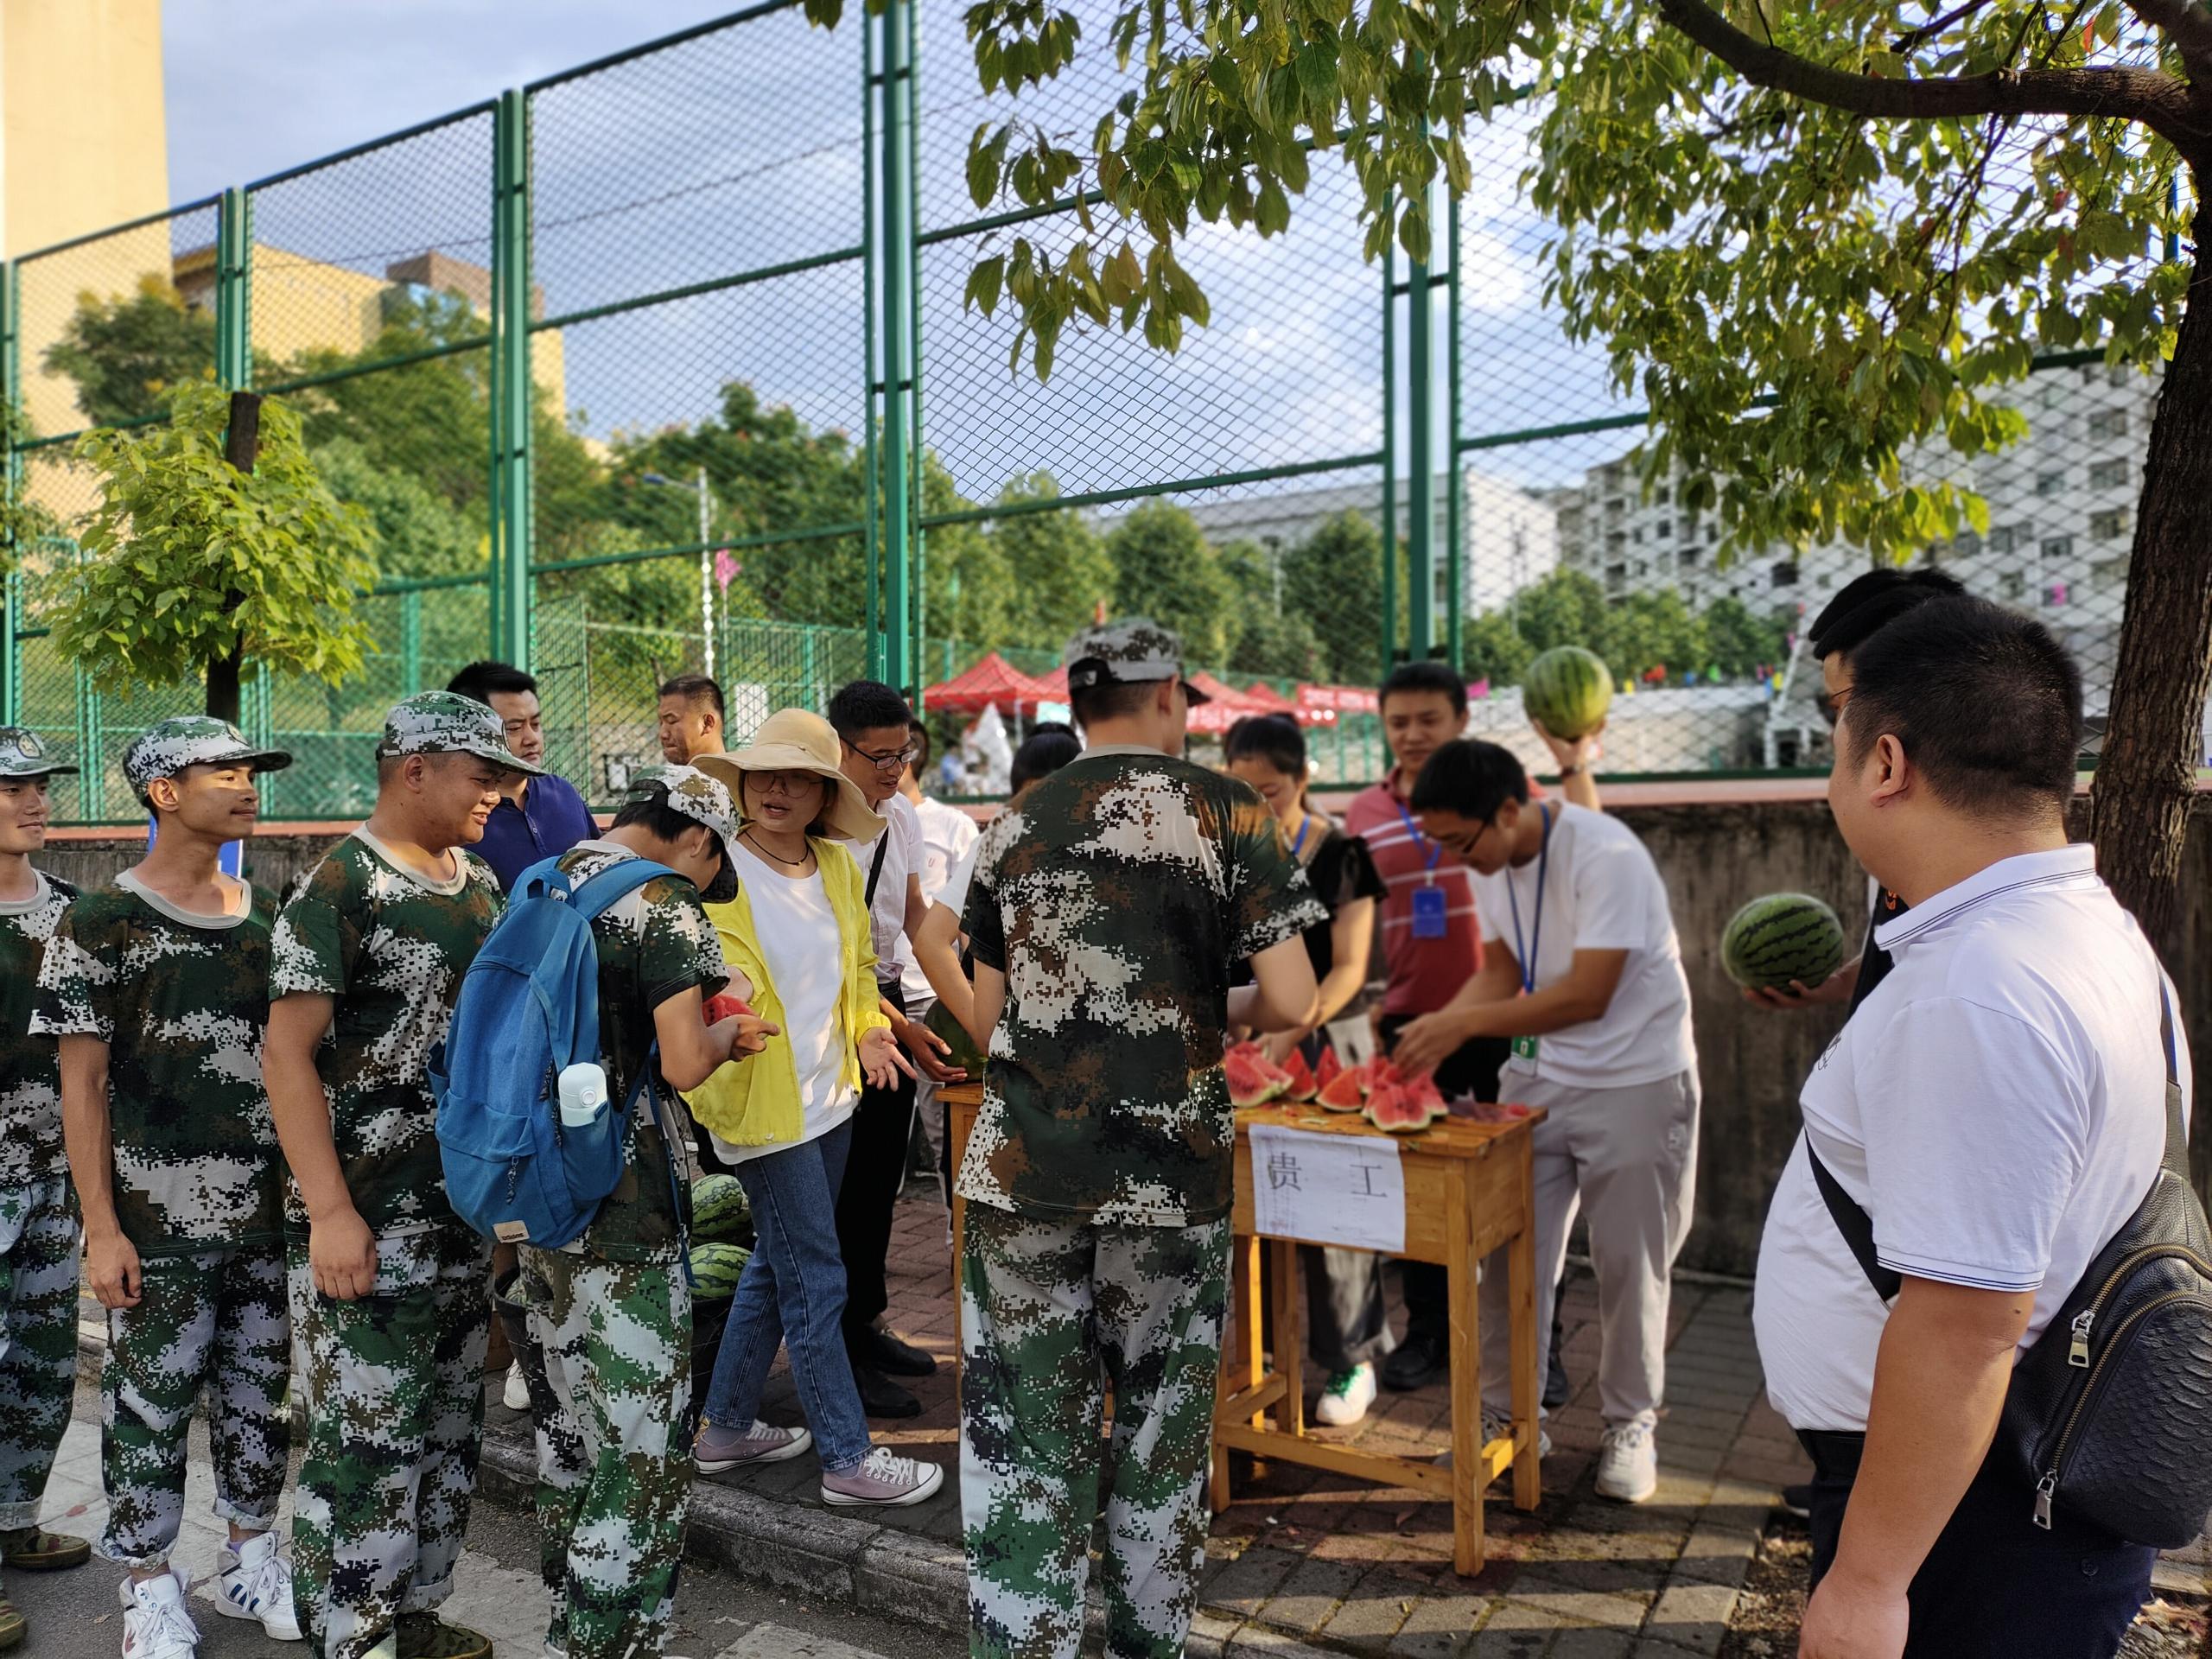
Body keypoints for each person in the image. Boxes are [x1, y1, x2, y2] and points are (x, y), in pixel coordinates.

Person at [1756, 598, 2177, 1658]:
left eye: (1838, 746)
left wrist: (1867, 1584)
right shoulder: (2078, 925)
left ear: (1885, 763)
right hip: (1988, 1487)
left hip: (1968, 1515)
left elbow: (1965, 1325)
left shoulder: (1980, 991)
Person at [958, 619, 1323, 1659]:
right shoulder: (1227, 810)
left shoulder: (1014, 822)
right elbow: (1292, 997)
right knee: (1160, 1439)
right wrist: (1200, 1004)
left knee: (1025, 1443)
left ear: (1077, 705)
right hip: (1170, 1181)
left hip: (1022, 1174)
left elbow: (986, 1020)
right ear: (1169, 696)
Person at [263, 692, 540, 1659]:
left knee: (448, 1430)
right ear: (414, 770)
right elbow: (285, 1056)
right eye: (482, 777)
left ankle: (414, 1613)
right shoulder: (342, 885)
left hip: (457, 1213)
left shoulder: (479, 882)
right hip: (369, 1220)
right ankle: (353, 1634)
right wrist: (330, 1212)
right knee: (364, 1446)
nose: (497, 796)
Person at [35, 720, 298, 1659]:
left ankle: (251, 1557)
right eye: (223, 772)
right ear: (164, 791)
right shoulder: (101, 920)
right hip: (154, 1223)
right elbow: (81, 1085)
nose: (246, 785)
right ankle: (147, 1585)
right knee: (148, 1409)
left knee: (259, 1398)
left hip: (263, 1216)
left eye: (250, 770)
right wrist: (101, 1229)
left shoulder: (270, 916)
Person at [513, 764, 772, 1659]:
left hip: (536, 1191)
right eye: (713, 862)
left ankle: (580, 1613)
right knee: (643, 1441)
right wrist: (728, 1032)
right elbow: (685, 1062)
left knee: (572, 1427)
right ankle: (599, 1637)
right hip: (624, 1209)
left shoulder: (542, 879)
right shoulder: (662, 901)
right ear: (696, 838)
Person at [1395, 738, 1697, 1505]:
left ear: (1508, 809)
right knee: (1505, 1255)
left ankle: (1631, 1424)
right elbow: (1500, 970)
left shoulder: (1606, 855)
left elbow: (1588, 995)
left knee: (1630, 1264)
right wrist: (1435, 1027)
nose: (1455, 860)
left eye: (1460, 842)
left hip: (1635, 1077)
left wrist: (1462, 1025)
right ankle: (1509, 1415)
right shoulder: (1488, 861)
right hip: (1538, 1075)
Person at [1741, 568, 1966, 1523]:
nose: (1835, 734)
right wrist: (1841, 984)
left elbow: (1971, 1304)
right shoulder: (1913, 862)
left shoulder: (1979, 948)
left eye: (1840, 707)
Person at [682, 709, 942, 1508]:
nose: (778, 789)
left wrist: (869, 1031)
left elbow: (859, 970)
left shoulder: (834, 864)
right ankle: (847, 1459)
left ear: (827, 795)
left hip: (831, 1100)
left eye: (800, 778)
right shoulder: (713, 869)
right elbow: (696, 982)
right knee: (818, 1279)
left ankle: (725, 1427)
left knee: (778, 1262)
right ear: (743, 782)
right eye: (765, 774)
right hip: (762, 1108)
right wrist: (722, 1011)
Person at [1339, 663, 1597, 1397]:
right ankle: (1429, 1333)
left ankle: (1538, 1343)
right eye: (1398, 722)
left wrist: (1576, 764)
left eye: (1429, 719)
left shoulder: (1503, 795)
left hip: (1513, 1016)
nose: (1412, 734)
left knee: (1527, 1191)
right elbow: (1359, 922)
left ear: (1460, 721)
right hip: (1417, 1022)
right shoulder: (1363, 812)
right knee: (1421, 1191)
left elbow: (1585, 838)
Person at [1222, 713, 1389, 1427]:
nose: (1258, 806)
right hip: (1248, 1039)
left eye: (1272, 791)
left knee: (1336, 1207)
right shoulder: (1229, 853)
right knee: (1254, 1201)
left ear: (1302, 779)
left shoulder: (1343, 852)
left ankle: (1353, 1357)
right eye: (1242, 792)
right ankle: (1259, 1350)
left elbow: (1349, 967)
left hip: (1328, 1043)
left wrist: (1290, 1029)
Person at [825, 680, 956, 1419]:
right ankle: (837, 1346)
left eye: (902, 753)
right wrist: (900, 1027)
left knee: (878, 1181)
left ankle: (867, 1322)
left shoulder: (899, 812)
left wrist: (961, 1002)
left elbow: (914, 916)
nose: (893, 769)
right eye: (878, 756)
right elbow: (831, 955)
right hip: (831, 1013)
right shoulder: (814, 816)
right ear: (838, 747)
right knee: (840, 1193)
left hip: (889, 1000)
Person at [912, 722, 1084, 1197]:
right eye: (1030, 801)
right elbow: (931, 942)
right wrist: (983, 1032)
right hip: (1012, 1074)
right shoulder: (996, 846)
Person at [0, 728, 87, 1649]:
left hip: (53, 1180)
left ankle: (11, 1517)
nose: (36, 801)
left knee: (40, 1365)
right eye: (12, 788)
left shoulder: (72, 912)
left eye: (40, 786)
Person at [895, 719, 978, 1204]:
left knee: (944, 1125)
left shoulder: (952, 825)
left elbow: (968, 920)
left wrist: (969, 995)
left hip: (934, 996)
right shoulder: (858, 823)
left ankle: (954, 1231)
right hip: (879, 996)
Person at [446, 661, 598, 893]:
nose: (532, 738)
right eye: (514, 728)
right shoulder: (459, 816)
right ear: (469, 733)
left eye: (535, 724)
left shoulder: (562, 793)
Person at [657, 674, 727, 766]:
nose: (663, 735)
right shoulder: (661, 774)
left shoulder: (741, 773)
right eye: (661, 723)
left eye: (672, 721)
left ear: (707, 723)